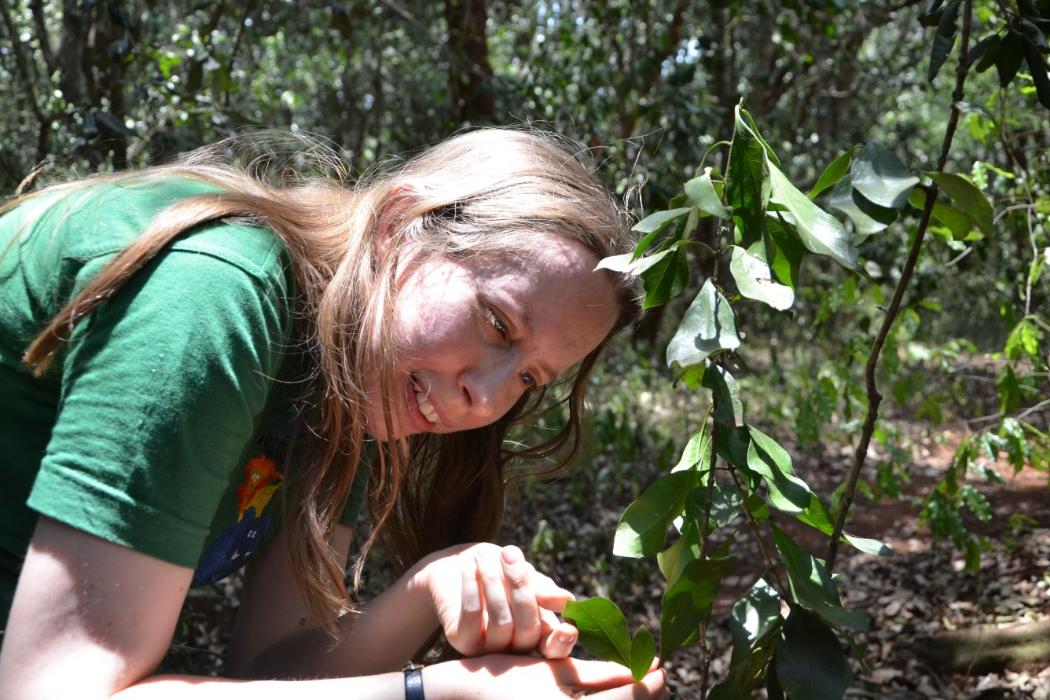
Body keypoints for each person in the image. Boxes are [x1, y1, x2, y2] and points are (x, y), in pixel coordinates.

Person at [0, 128, 666, 699]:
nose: (487, 399)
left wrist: (432, 585)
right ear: (398, 226)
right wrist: (432, 691)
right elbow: (55, 688)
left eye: (528, 377)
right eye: (496, 322)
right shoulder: (214, 298)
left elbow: (269, 666)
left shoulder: (370, 374)